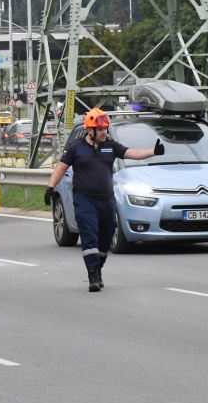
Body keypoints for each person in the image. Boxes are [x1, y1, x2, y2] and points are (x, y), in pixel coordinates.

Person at [43, 107, 163, 293]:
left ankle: (98, 267)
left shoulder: (111, 146)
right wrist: (51, 188)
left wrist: (153, 151)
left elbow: (132, 153)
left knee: (106, 239)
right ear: (90, 131)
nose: (104, 132)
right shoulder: (76, 147)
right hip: (84, 200)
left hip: (106, 200)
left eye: (105, 128)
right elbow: (60, 168)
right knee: (89, 235)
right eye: (100, 129)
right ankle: (92, 273)